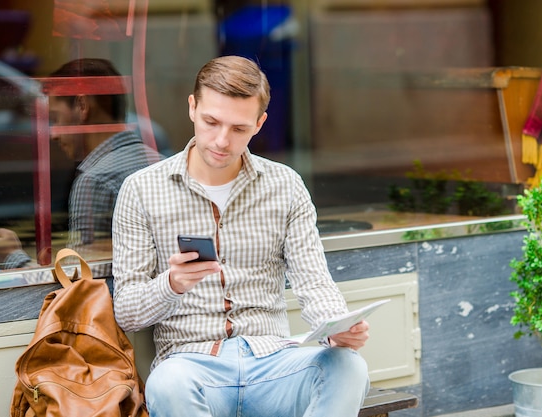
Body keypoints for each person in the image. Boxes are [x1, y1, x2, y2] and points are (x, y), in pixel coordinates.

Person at [112, 55, 371, 417]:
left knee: (349, 366)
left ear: (260, 123)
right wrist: (171, 284)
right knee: (167, 384)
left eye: (238, 128)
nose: (221, 140)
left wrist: (337, 331)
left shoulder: (285, 185)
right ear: (192, 107)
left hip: (275, 362)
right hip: (191, 365)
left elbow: (314, 283)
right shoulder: (140, 190)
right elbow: (126, 312)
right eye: (211, 122)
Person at [0, 58, 161, 276]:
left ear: (82, 106)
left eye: (56, 119)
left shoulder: (95, 181)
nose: (53, 133)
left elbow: (82, 283)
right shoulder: (158, 161)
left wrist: (12, 258)